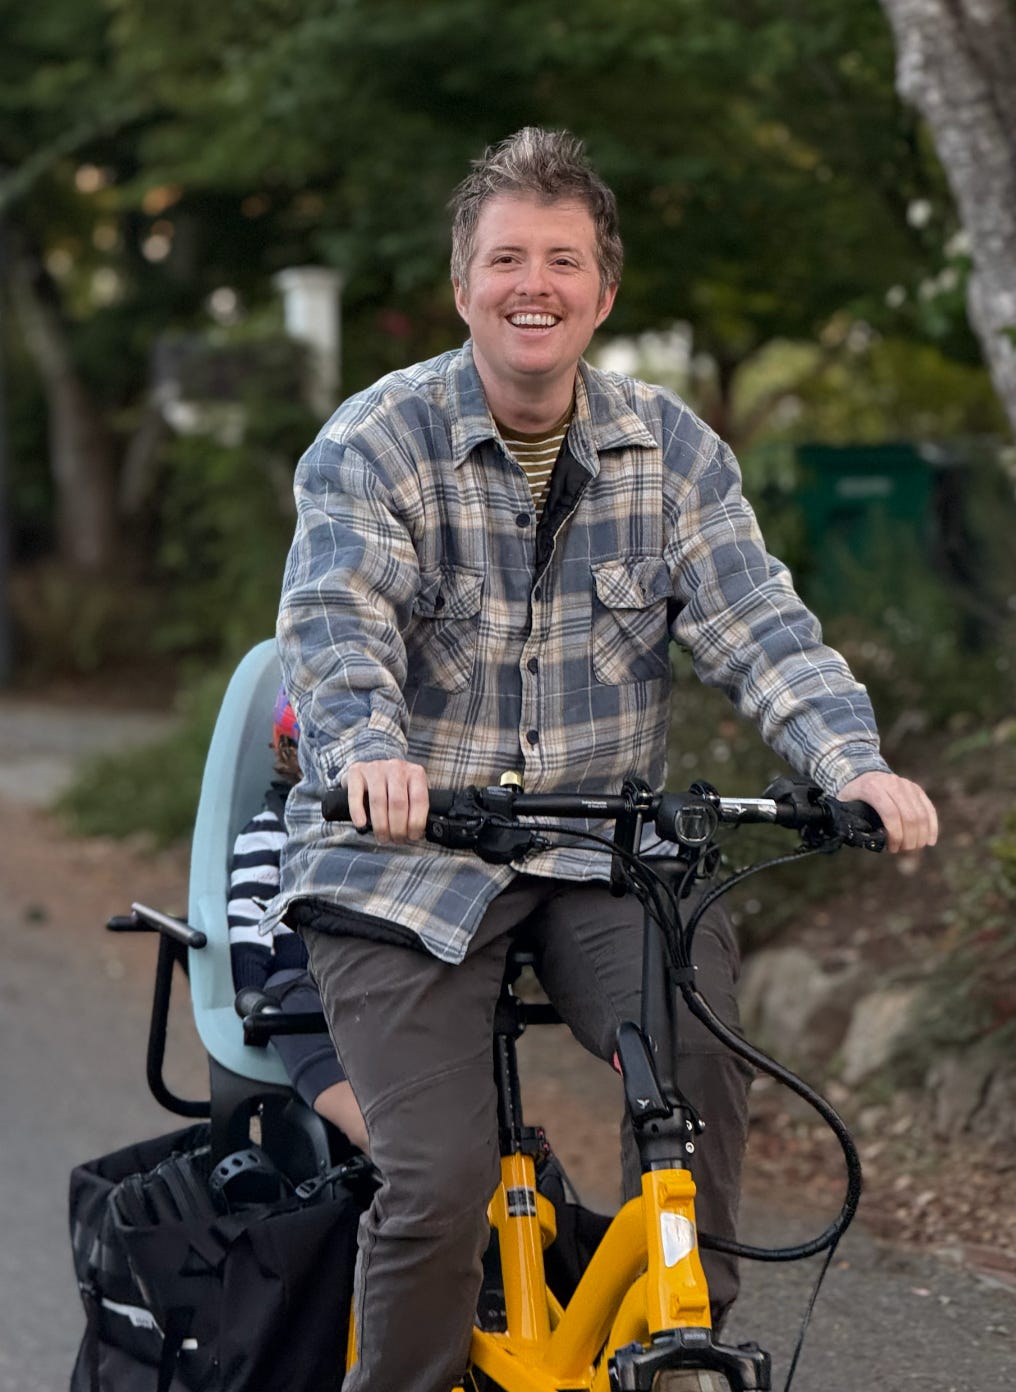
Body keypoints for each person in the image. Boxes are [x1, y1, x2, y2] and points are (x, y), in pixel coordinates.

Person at [265, 127, 937, 1392]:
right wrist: (367, 754)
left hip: (599, 853)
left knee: (695, 1075)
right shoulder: (374, 441)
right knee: (439, 1182)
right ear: (462, 285)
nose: (535, 284)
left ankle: (679, 1349)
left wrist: (851, 764)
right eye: (506, 258)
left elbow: (760, 628)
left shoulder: (672, 451)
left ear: (603, 291)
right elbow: (334, 624)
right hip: (401, 857)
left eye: (562, 260)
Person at [228, 685, 367, 1152]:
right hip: (300, 979)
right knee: (290, 1004)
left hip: (365, 975)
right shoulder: (270, 832)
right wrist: (251, 995)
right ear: (288, 752)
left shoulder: (374, 833)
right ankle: (367, 1128)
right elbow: (250, 917)